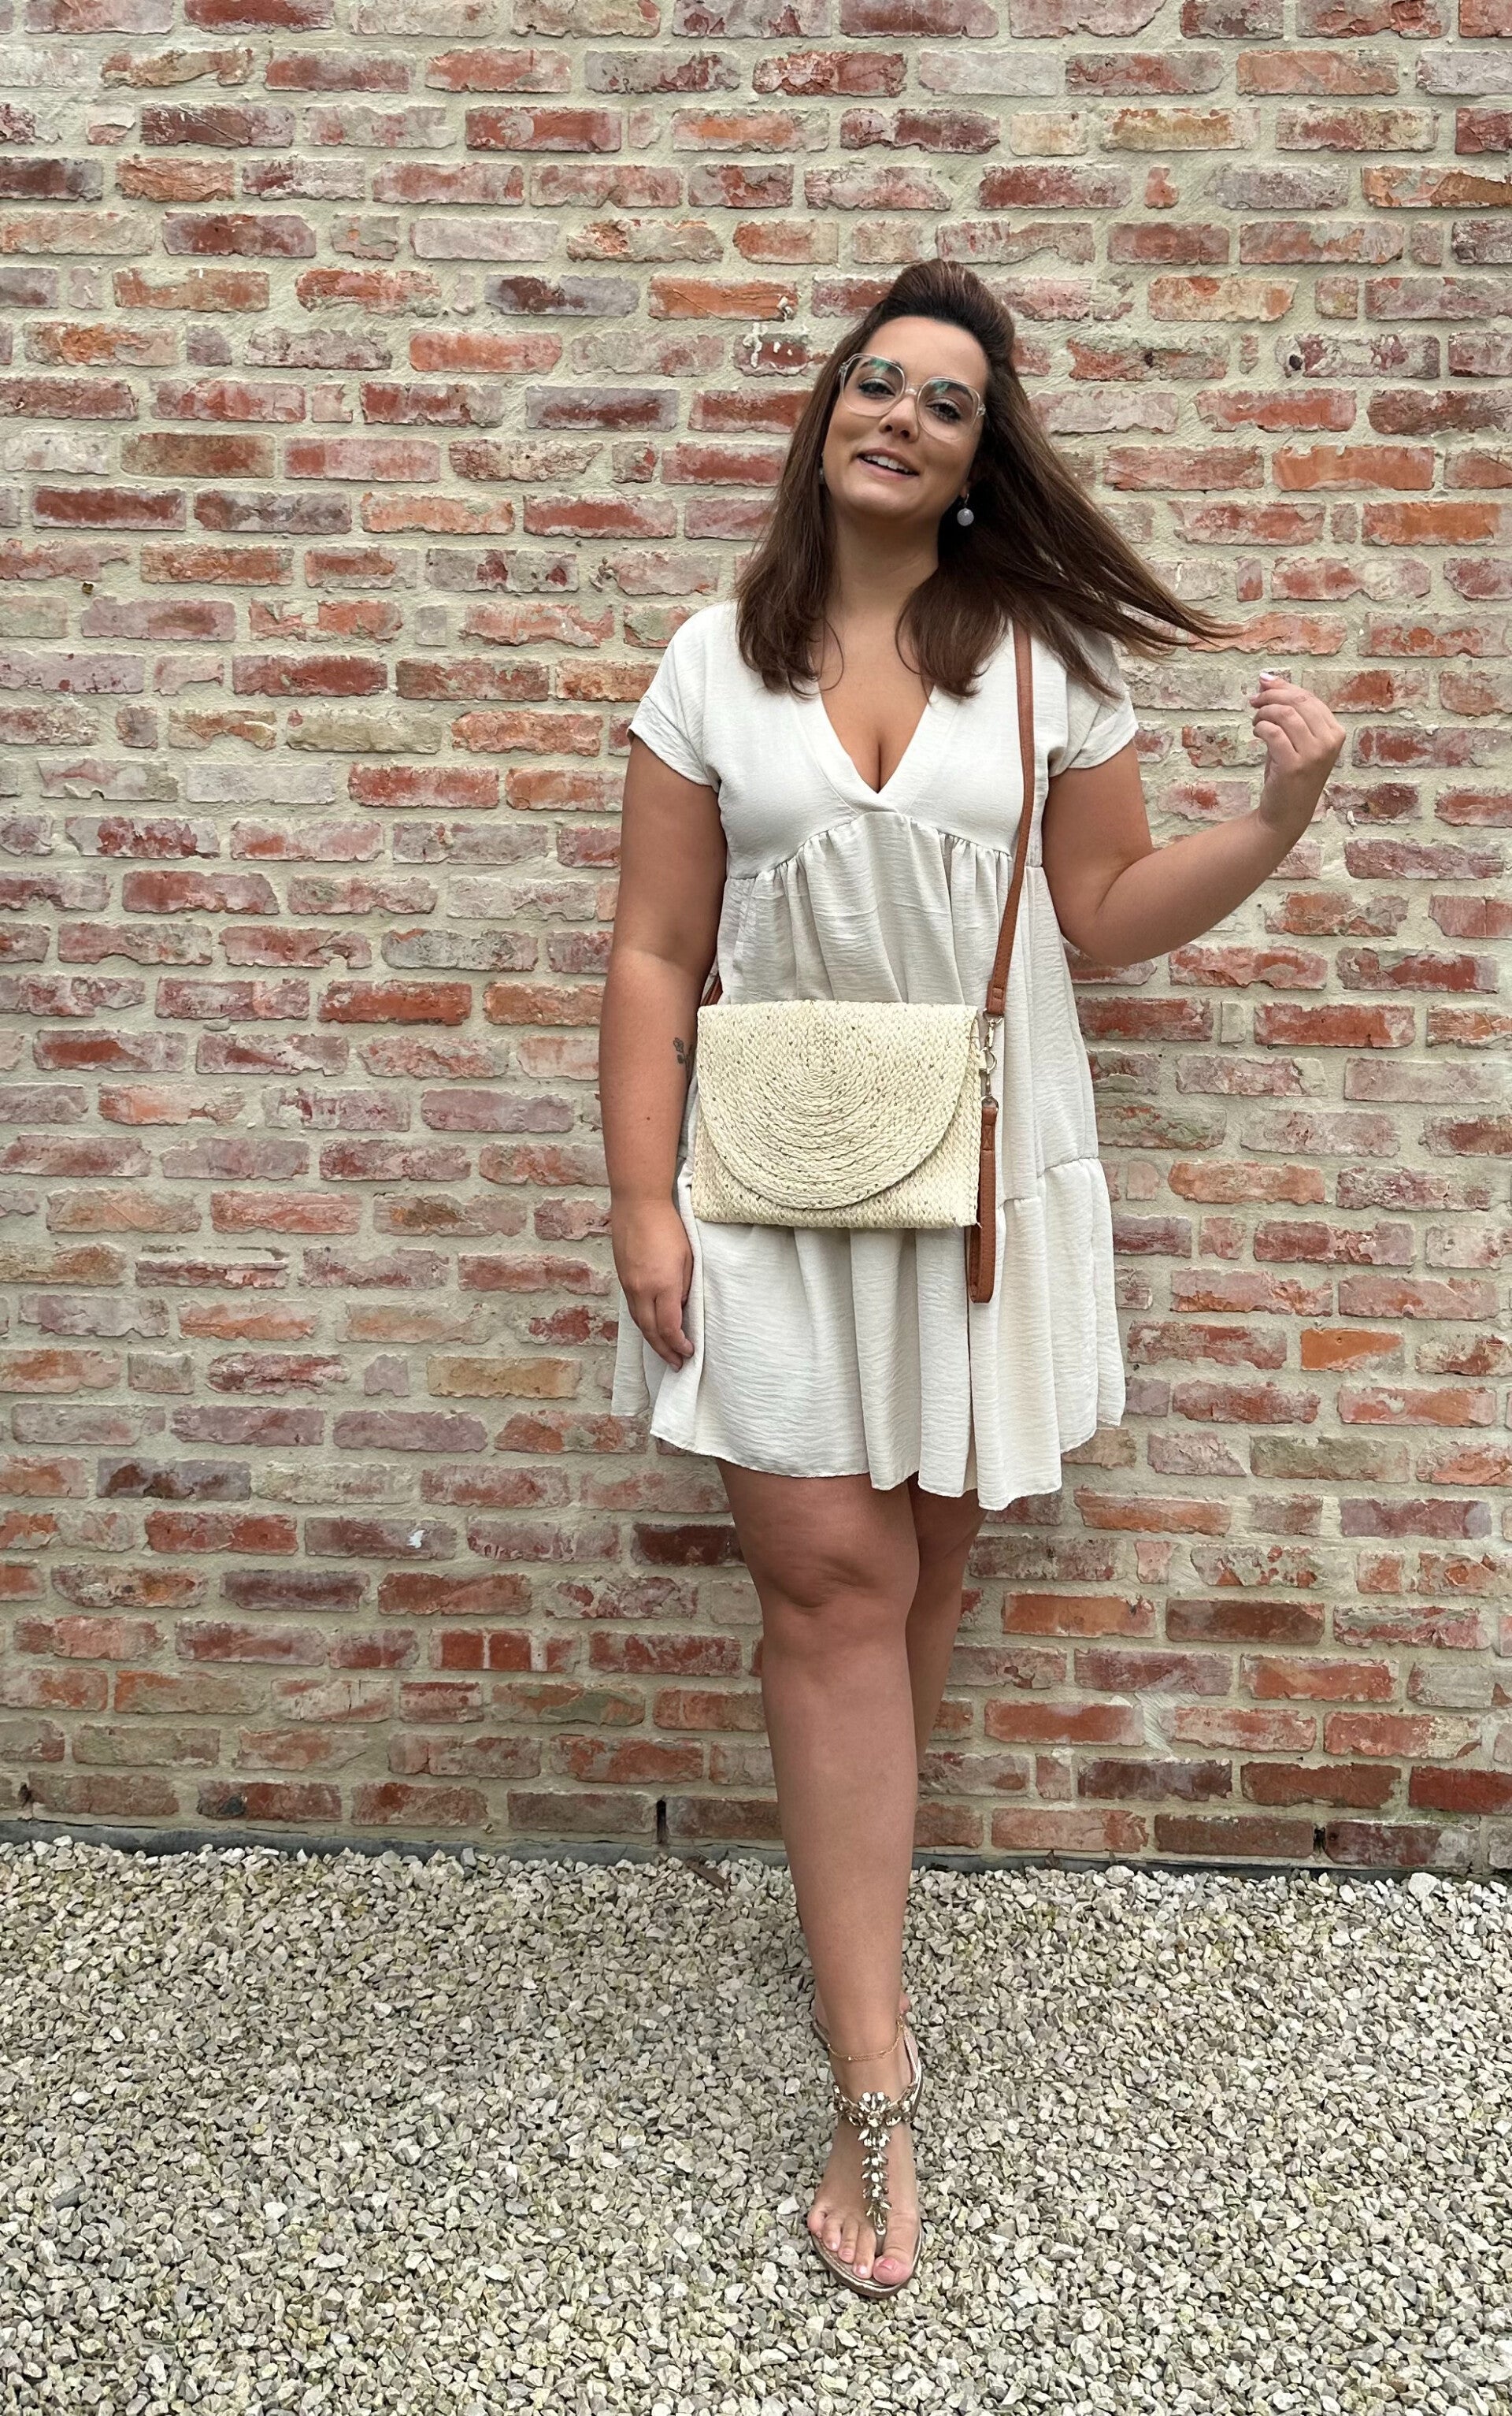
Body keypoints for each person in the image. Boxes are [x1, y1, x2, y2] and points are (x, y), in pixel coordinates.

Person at [597, 260, 1344, 2298]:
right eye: (876, 381)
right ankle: (876, 2082)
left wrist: (1274, 822)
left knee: (922, 1575)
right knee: (830, 1586)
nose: (902, 415)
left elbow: (1103, 909)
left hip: (976, 1179)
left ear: (979, 459)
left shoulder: (1041, 661)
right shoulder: (709, 664)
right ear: (825, 415)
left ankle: (858, 1915)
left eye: (946, 401)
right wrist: (642, 1201)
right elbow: (656, 948)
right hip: (766, 1186)